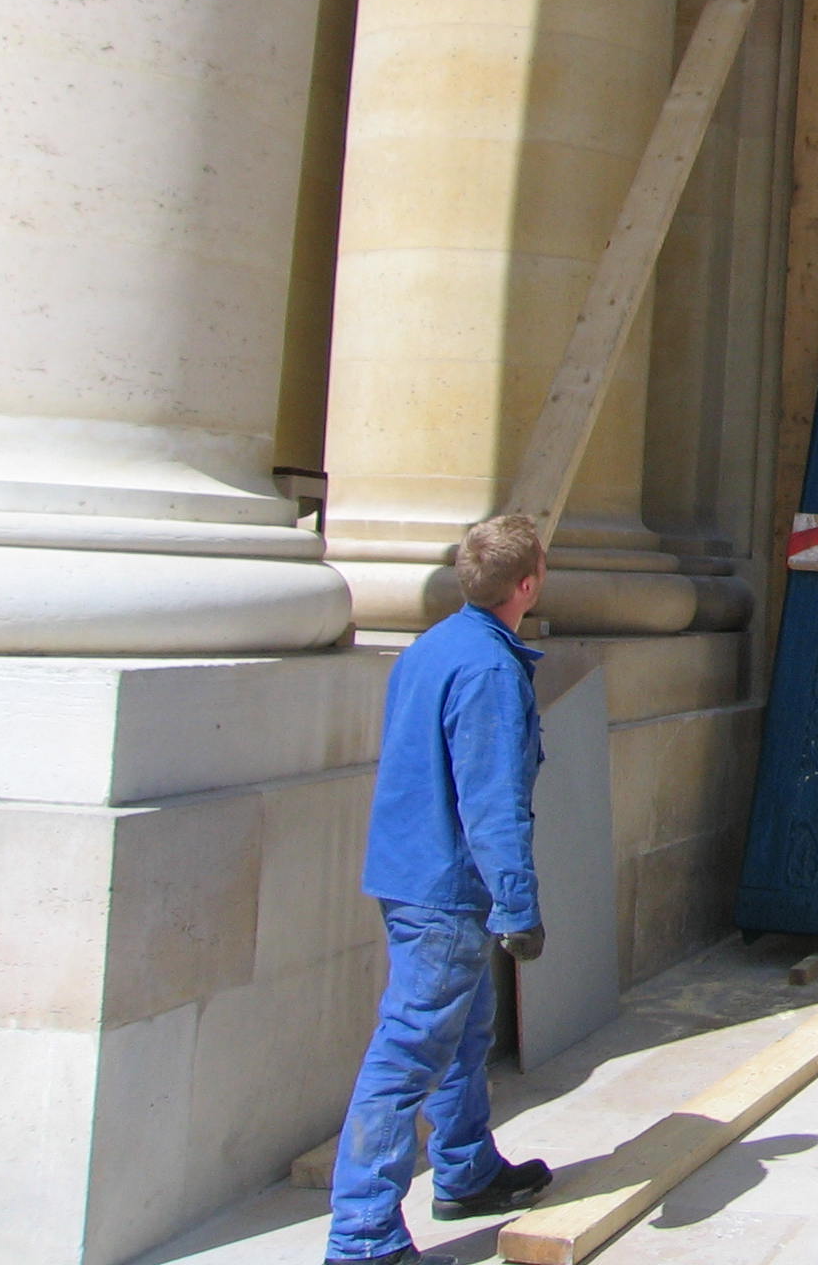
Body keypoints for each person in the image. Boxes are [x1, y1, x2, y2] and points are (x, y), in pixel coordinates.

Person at [327, 514, 556, 1264]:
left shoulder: (431, 648)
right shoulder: (488, 669)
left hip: (408, 872)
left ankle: (465, 1169)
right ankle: (363, 1235)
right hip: (446, 887)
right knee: (410, 1050)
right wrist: (519, 905)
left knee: (462, 1031)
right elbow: (489, 800)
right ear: (527, 584)